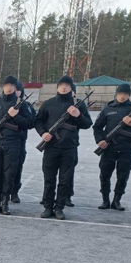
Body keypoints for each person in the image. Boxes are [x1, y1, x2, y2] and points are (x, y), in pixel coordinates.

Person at [35, 75, 93, 220]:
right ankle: (48, 207)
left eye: (67, 85)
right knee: (49, 179)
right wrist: (43, 134)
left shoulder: (78, 105)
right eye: (61, 84)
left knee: (65, 180)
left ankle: (59, 208)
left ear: (71, 88)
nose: (64, 87)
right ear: (57, 87)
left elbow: (87, 124)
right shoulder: (48, 104)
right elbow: (38, 121)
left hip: (69, 148)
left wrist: (78, 115)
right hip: (51, 147)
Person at [0, 76, 35, 215]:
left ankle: (5, 203)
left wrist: (16, 116)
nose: (8, 88)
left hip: (13, 143)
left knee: (9, 173)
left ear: (16, 88)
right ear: (2, 87)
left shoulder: (22, 105)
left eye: (11, 85)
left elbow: (30, 123)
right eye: (6, 85)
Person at [93, 83, 131, 210]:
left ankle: (117, 201)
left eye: (125, 94)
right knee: (105, 174)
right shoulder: (107, 109)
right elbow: (97, 127)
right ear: (116, 94)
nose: (122, 96)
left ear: (129, 95)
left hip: (126, 148)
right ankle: (105, 200)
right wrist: (100, 140)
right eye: (120, 94)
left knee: (123, 175)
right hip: (108, 148)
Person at [11, 81, 34, 203]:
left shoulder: (26, 106)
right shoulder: (2, 103)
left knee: (17, 167)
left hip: (19, 142)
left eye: (17, 89)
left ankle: (14, 192)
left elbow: (31, 123)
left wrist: (16, 116)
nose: (15, 92)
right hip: (4, 141)